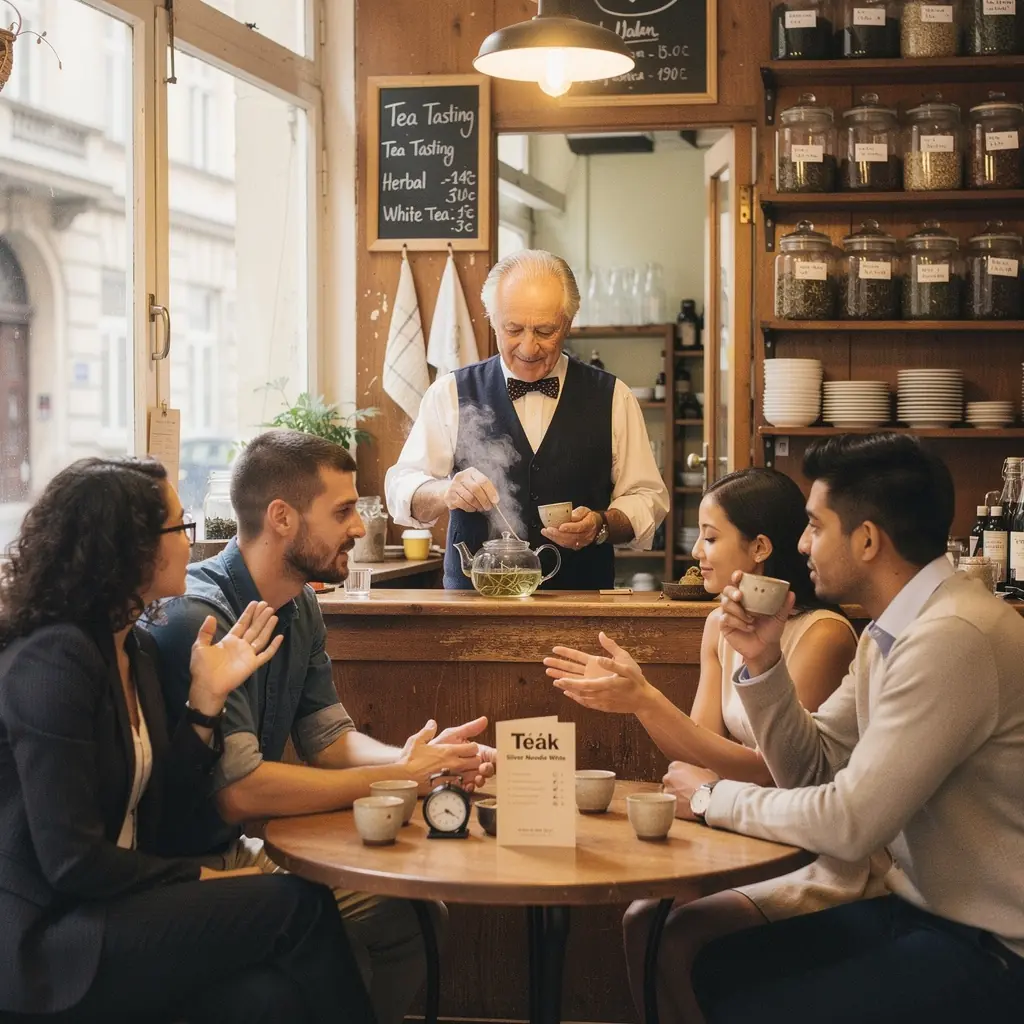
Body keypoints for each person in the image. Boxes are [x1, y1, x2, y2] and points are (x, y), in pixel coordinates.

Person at [663, 434, 1024, 1024]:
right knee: (707, 957)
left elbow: (850, 823)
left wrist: (710, 798)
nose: (801, 544)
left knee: (744, 995)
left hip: (990, 945)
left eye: (814, 526)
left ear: (866, 539)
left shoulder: (954, 636)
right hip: (921, 910)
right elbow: (813, 769)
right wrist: (764, 662)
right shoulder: (894, 630)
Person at [0, 457, 374, 1024]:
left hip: (113, 910)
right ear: (132, 547)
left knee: (271, 1000)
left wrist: (205, 703)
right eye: (181, 527)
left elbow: (168, 804)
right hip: (53, 943)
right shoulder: (55, 660)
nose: (192, 543)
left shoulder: (133, 651)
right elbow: (70, 861)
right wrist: (199, 876)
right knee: (298, 905)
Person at [146, 428, 495, 1024]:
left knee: (411, 915)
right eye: (343, 512)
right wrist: (401, 778)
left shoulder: (301, 603)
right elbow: (240, 791)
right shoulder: (200, 620)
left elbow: (328, 738)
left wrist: (414, 759)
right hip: (176, 870)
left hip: (233, 847)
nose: (360, 527)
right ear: (282, 518)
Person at [545, 468, 888, 1022]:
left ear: (758, 548)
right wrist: (639, 700)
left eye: (709, 536)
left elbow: (780, 770)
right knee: (640, 918)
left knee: (670, 932)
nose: (698, 551)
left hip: (808, 845)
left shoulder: (823, 634)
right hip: (739, 828)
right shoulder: (718, 627)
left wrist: (646, 701)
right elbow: (697, 753)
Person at [385, 249, 669, 590]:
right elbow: (402, 487)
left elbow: (646, 499)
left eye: (545, 330)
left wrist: (602, 524)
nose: (529, 347)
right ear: (492, 320)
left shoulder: (613, 397)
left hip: (580, 605)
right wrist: (446, 491)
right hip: (473, 609)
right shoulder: (450, 392)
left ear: (568, 322)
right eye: (514, 329)